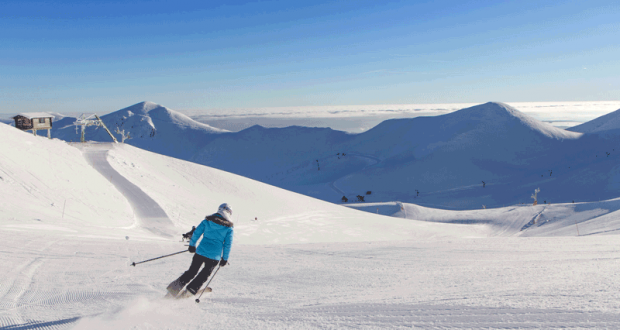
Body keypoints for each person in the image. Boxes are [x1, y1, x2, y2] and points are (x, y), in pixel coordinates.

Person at [166, 203, 234, 297]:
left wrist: (192, 245)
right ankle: (190, 291)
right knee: (204, 275)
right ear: (229, 213)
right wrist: (225, 258)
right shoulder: (229, 228)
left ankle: (173, 290)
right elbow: (227, 245)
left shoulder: (207, 221)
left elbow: (196, 233)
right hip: (214, 256)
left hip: (200, 252)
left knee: (191, 272)